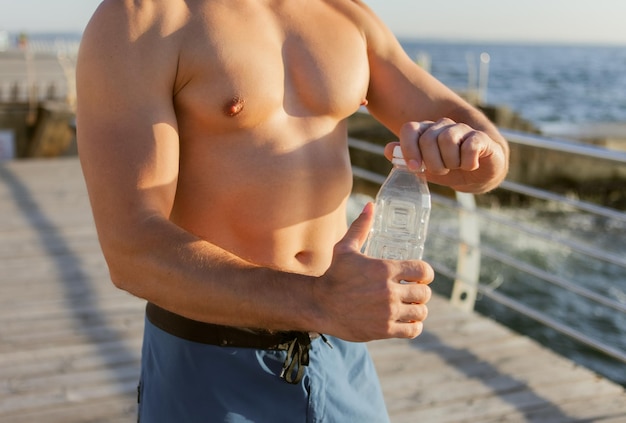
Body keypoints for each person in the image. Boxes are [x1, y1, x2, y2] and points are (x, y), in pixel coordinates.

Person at [76, 0, 509, 421]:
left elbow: (480, 155)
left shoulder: (343, 13)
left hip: (339, 354)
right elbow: (132, 248)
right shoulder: (141, 17)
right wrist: (319, 301)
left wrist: (480, 153)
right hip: (212, 360)